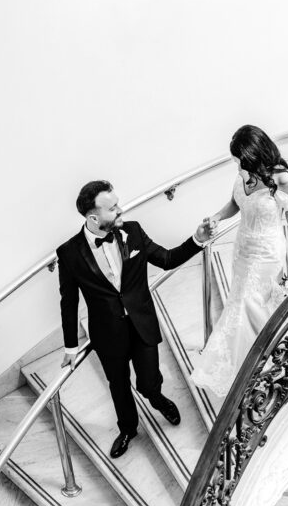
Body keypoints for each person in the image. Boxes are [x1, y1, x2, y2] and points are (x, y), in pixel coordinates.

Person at [58, 180, 211, 458]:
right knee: (118, 386)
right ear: (94, 217)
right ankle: (128, 428)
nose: (120, 210)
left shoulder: (134, 231)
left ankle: (156, 397)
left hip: (142, 323)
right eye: (112, 208)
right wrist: (70, 346)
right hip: (107, 333)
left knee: (148, 381)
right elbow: (69, 302)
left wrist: (197, 240)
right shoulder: (69, 253)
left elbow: (166, 258)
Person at [190, 124, 288, 398]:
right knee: (239, 301)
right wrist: (218, 216)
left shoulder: (280, 178)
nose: (237, 165)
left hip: (267, 251)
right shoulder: (243, 174)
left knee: (249, 304)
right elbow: (235, 201)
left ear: (255, 154)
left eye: (240, 159)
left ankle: (261, 358)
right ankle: (251, 360)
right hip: (243, 247)